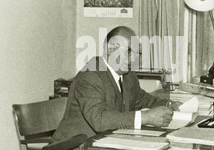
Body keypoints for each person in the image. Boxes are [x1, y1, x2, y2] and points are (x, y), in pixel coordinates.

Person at [53, 26, 181, 141]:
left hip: (105, 144)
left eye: (137, 53)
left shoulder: (128, 75)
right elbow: (100, 120)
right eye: (129, 51)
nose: (133, 58)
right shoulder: (90, 74)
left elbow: (141, 99)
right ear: (110, 48)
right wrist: (145, 117)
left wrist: (167, 104)